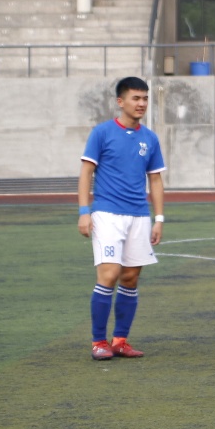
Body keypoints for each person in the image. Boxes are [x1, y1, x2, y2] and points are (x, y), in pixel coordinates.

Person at [78, 77, 165, 361]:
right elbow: (86, 173)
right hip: (107, 213)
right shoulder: (102, 133)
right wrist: (84, 212)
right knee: (109, 274)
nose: (141, 103)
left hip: (139, 215)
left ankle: (120, 341)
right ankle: (98, 342)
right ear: (120, 101)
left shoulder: (150, 138)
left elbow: (155, 179)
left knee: (130, 277)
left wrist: (159, 218)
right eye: (135, 98)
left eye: (145, 98)